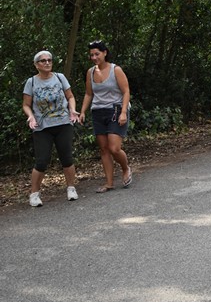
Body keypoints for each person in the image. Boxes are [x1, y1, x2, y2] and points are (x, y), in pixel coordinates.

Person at [22, 51, 80, 207]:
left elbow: (70, 97)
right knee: (41, 161)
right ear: (36, 65)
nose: (47, 63)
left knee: (67, 158)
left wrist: (72, 109)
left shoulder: (60, 77)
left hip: (63, 123)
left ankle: (71, 188)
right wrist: (31, 116)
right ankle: (34, 194)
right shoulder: (31, 82)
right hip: (42, 127)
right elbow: (26, 105)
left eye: (49, 60)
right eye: (43, 61)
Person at [79, 40, 132, 193]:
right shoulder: (90, 72)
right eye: (91, 55)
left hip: (116, 110)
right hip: (98, 111)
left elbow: (126, 91)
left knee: (114, 148)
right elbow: (89, 93)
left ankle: (125, 168)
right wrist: (82, 111)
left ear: (105, 53)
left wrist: (123, 112)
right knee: (104, 149)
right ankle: (109, 183)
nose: (94, 57)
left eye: (97, 54)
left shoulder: (116, 70)